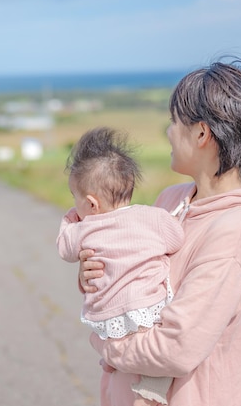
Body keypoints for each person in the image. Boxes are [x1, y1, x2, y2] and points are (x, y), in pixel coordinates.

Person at [78, 58, 241, 406]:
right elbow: (133, 277)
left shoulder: (237, 231)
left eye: (175, 122)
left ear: (201, 134)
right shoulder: (171, 199)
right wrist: (94, 273)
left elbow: (176, 347)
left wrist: (107, 341)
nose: (169, 131)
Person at [57, 127, 185, 406]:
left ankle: (117, 364)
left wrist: (70, 219)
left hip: (109, 314)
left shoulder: (85, 227)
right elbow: (177, 239)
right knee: (151, 354)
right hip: (149, 306)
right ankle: (152, 390)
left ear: (91, 203)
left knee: (119, 342)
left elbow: (65, 249)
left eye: (74, 199)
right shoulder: (153, 217)